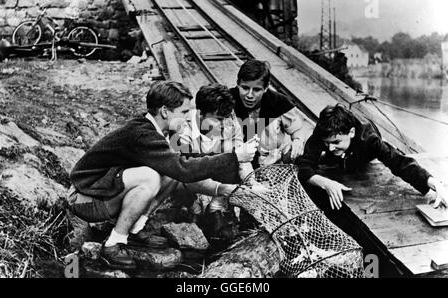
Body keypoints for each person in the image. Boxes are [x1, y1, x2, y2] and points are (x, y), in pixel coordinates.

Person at [68, 81, 259, 270]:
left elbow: (182, 175)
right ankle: (113, 244)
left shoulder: (159, 132)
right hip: (84, 198)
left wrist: (224, 189)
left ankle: (135, 229)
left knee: (169, 174)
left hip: (102, 191)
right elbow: (184, 169)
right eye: (184, 112)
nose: (188, 117)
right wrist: (234, 157)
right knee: (149, 176)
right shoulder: (143, 134)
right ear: (165, 111)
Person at [296, 104, 448, 211]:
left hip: (362, 154)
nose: (329, 147)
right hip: (339, 157)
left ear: (352, 132)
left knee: (356, 161)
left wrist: (433, 183)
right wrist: (325, 183)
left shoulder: (370, 140)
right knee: (323, 159)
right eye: (326, 143)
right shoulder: (323, 132)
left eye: (335, 142)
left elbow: (399, 162)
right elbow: (304, 165)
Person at [179, 83, 255, 242]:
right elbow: (186, 170)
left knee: (239, 164)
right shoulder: (183, 128)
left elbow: (240, 157)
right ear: (200, 114)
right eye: (218, 119)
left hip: (219, 179)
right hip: (192, 177)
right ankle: (196, 210)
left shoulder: (229, 119)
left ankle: (217, 209)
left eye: (226, 118)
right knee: (177, 182)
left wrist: (252, 184)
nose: (223, 124)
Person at [230, 59, 306, 167]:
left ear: (266, 87)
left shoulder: (280, 103)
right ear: (237, 83)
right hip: (233, 168)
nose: (250, 95)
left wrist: (298, 140)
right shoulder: (226, 102)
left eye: (256, 90)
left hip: (270, 169)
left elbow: (297, 129)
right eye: (245, 88)